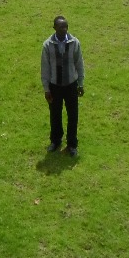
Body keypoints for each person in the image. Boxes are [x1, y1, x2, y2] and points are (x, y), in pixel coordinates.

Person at [41, 15, 84, 156]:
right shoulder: (47, 45)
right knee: (55, 114)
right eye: (61, 27)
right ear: (54, 28)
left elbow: (79, 64)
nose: (64, 29)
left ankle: (72, 144)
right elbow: (45, 69)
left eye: (66, 26)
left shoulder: (74, 42)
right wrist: (47, 89)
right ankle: (55, 141)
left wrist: (81, 84)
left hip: (71, 85)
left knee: (73, 115)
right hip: (55, 86)